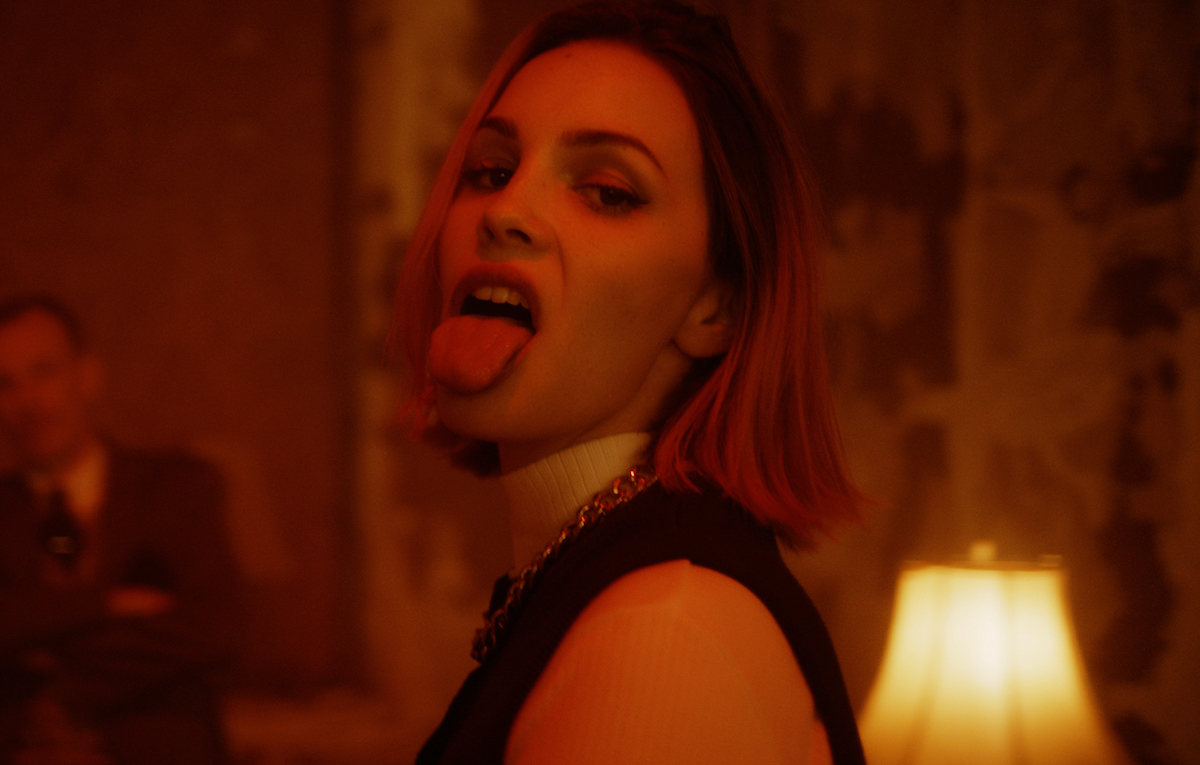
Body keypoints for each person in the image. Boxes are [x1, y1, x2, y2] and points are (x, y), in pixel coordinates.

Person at [394, 2, 868, 763]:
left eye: (608, 190)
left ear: (717, 306)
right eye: (490, 171)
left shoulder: (663, 635)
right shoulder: (593, 580)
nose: (504, 210)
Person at [0, 294, 241, 765]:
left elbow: (216, 626)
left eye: (44, 372)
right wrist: (106, 604)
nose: (27, 400)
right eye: (4, 383)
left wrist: (63, 685)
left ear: (87, 377)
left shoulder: (176, 488)